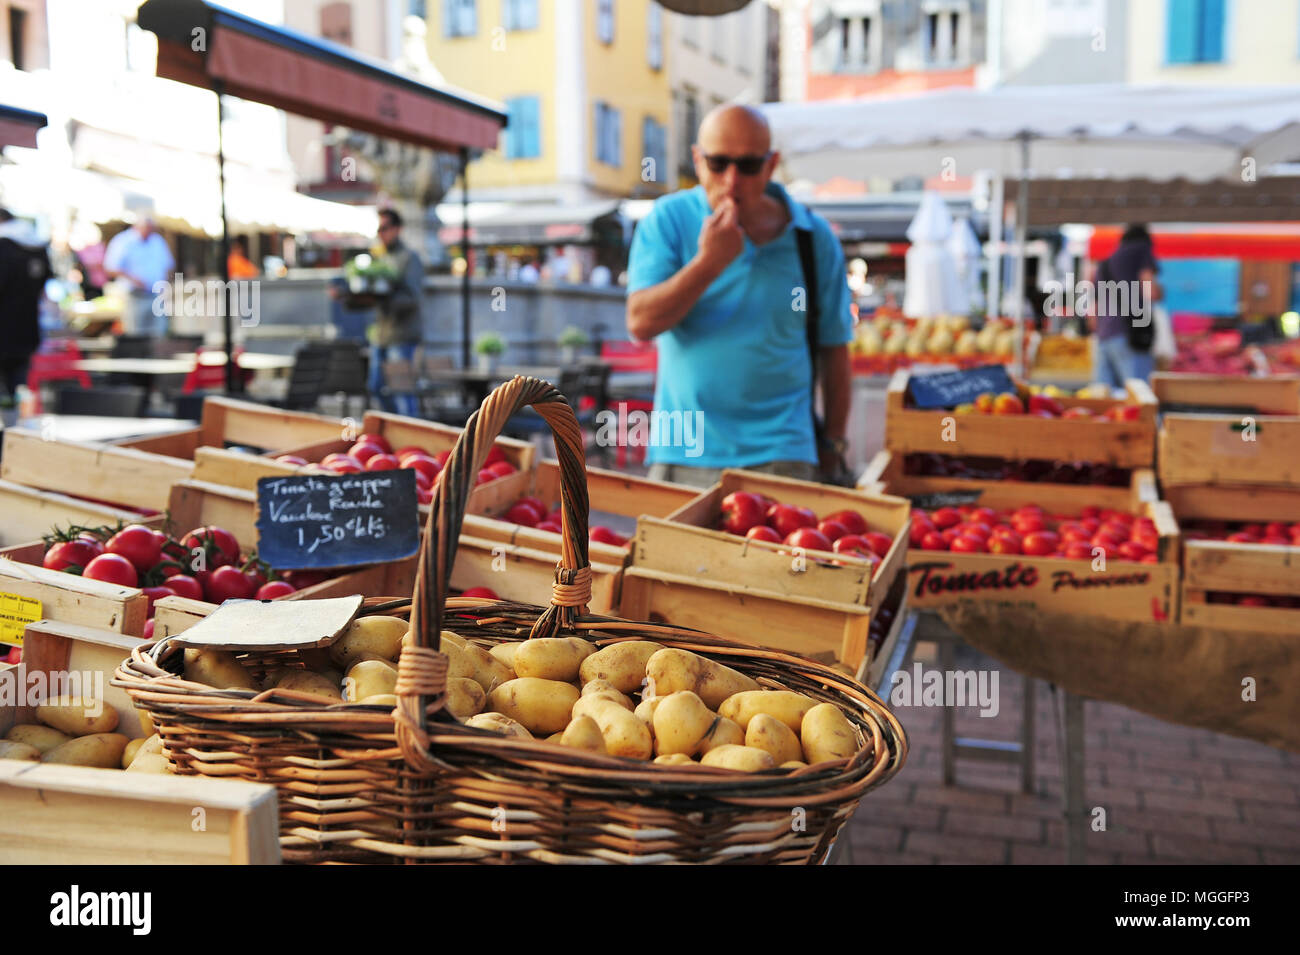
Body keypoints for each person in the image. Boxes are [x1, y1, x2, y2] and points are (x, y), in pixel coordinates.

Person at [626, 104, 853, 488]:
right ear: (697, 161)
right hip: (684, 449)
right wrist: (709, 263)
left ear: (771, 165)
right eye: (718, 164)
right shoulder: (668, 219)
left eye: (748, 166)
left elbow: (835, 351)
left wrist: (833, 447)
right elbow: (641, 323)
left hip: (783, 452)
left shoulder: (812, 238)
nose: (732, 182)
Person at [1091, 223, 1161, 388]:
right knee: (1139, 396)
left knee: (1106, 399)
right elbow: (1150, 291)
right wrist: (1160, 292)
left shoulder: (1105, 264)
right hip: (1130, 334)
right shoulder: (1141, 249)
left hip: (1103, 337)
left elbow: (1093, 312)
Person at [369, 208, 423, 416]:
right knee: (376, 387)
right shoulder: (381, 259)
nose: (380, 233)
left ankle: (412, 433)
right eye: (378, 229)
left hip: (402, 335)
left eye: (384, 228)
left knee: (403, 392)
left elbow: (412, 297)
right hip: (381, 335)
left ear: (397, 229)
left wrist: (384, 297)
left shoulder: (409, 258)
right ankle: (396, 427)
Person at [0, 209, 52, 408]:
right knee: (19, 390)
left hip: (5, 329)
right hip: (27, 328)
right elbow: (43, 283)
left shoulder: (4, 245)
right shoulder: (36, 245)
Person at [104, 213, 174, 337]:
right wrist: (133, 279)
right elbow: (110, 267)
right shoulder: (123, 241)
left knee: (158, 334)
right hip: (134, 297)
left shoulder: (157, 241)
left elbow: (168, 266)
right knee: (136, 335)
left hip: (156, 296)